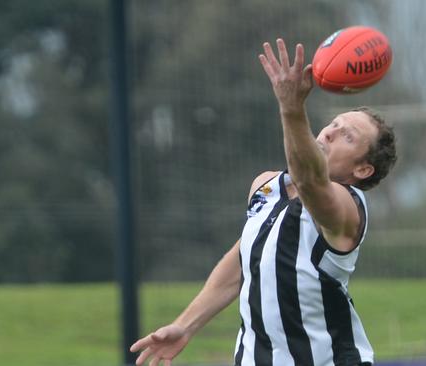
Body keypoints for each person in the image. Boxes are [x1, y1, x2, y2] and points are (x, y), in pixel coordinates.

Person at [130, 38, 397, 366]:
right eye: (334, 124)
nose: (329, 132)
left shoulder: (348, 209)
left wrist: (291, 107)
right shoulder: (267, 186)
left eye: (348, 136)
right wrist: (185, 326)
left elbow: (310, 181)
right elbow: (243, 260)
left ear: (363, 168)